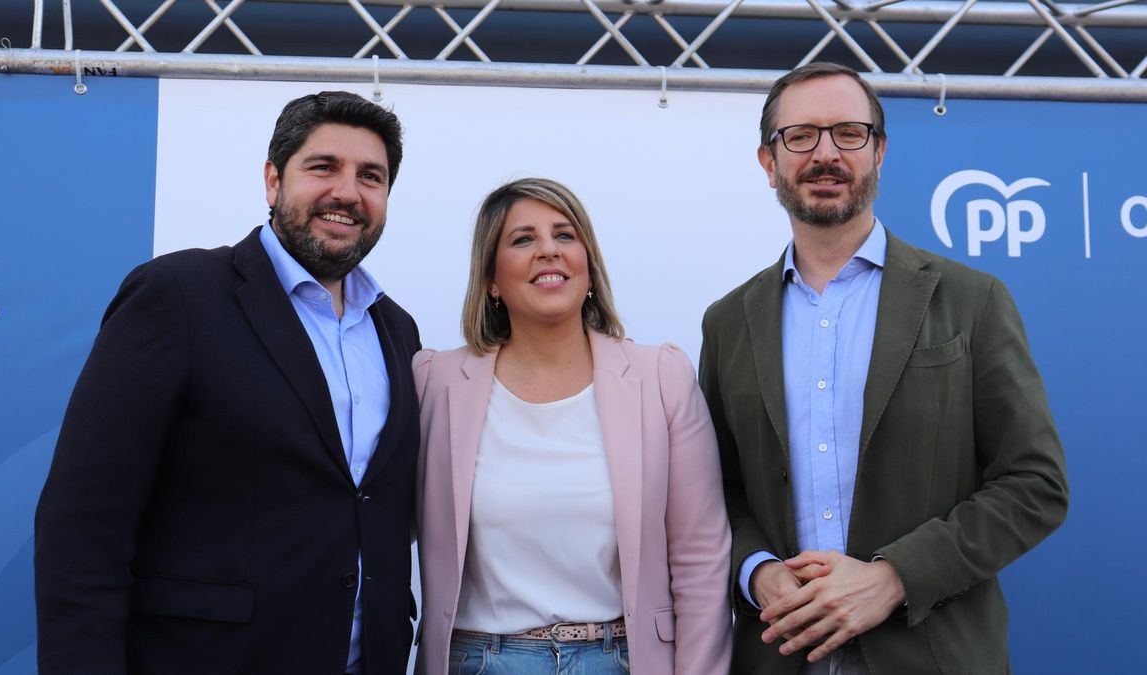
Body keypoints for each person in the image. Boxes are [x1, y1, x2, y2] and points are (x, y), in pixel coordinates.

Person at [699, 62, 1069, 674]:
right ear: (769, 160)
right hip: (780, 652)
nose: (825, 154)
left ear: (879, 151)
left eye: (849, 133)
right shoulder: (728, 322)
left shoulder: (971, 301)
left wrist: (895, 577)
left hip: (931, 653)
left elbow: (1035, 485)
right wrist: (757, 571)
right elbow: (716, 490)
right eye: (800, 136)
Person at [34, 91, 421, 675]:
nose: (348, 192)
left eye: (371, 176)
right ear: (273, 180)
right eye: (323, 167)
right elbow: (83, 523)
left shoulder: (396, 329)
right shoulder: (178, 294)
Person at [413, 178, 732, 675]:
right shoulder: (435, 382)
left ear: (589, 267)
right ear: (492, 279)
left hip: (621, 660)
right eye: (523, 239)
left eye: (564, 235)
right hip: (479, 662)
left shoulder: (662, 378)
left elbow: (701, 558)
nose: (548, 250)